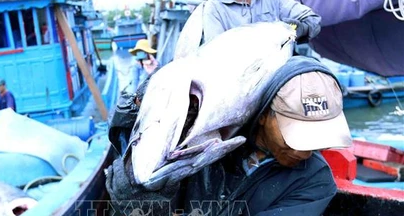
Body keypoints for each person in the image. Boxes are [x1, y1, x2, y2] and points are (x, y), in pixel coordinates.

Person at [105, 56, 352, 215]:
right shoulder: (207, 139)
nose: (305, 151)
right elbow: (122, 136)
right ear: (265, 114)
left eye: (316, 138)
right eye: (296, 135)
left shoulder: (315, 180)